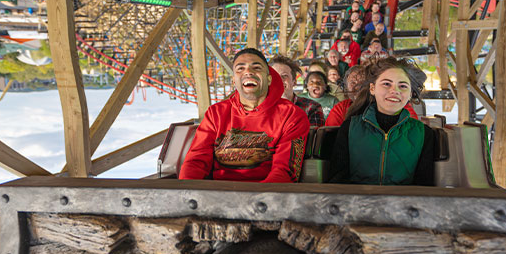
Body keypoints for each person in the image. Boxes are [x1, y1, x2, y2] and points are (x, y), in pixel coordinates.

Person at [179, 48, 309, 182]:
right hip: (217, 193)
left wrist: (253, 199)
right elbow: (196, 161)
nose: (248, 72)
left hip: (267, 195)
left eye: (256, 67)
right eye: (240, 69)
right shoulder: (216, 113)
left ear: (269, 79)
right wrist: (186, 192)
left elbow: (285, 171)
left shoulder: (292, 115)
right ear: (234, 81)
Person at [328, 57, 434, 186]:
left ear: (410, 93)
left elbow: (424, 186)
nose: (394, 91)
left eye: (403, 86)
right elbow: (337, 181)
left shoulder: (423, 134)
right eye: (386, 84)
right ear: (372, 88)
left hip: (404, 205)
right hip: (356, 203)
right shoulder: (350, 128)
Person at [325, 64, 419, 126]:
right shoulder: (340, 109)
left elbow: (413, 127)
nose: (358, 87)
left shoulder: (391, 104)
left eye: (363, 82)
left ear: (372, 86)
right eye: (353, 83)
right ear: (345, 87)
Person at [269, 54, 325, 126]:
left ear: (294, 82)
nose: (279, 80)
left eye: (284, 76)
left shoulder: (312, 107)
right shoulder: (260, 107)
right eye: (275, 76)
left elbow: (313, 136)